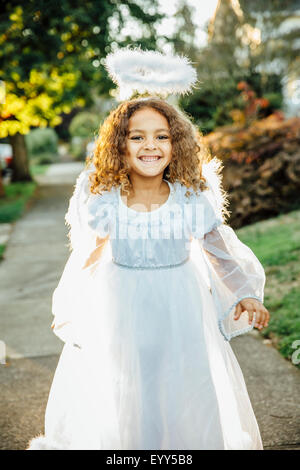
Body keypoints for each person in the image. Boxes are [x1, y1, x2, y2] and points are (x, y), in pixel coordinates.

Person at [27, 48, 269, 450]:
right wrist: (73, 301)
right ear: (119, 146)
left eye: (161, 136)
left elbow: (219, 250)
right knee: (125, 384)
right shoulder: (106, 200)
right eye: (136, 137)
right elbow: (86, 257)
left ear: (177, 145)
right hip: (120, 306)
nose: (150, 146)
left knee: (183, 384)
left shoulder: (191, 198)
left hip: (180, 305)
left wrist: (243, 291)